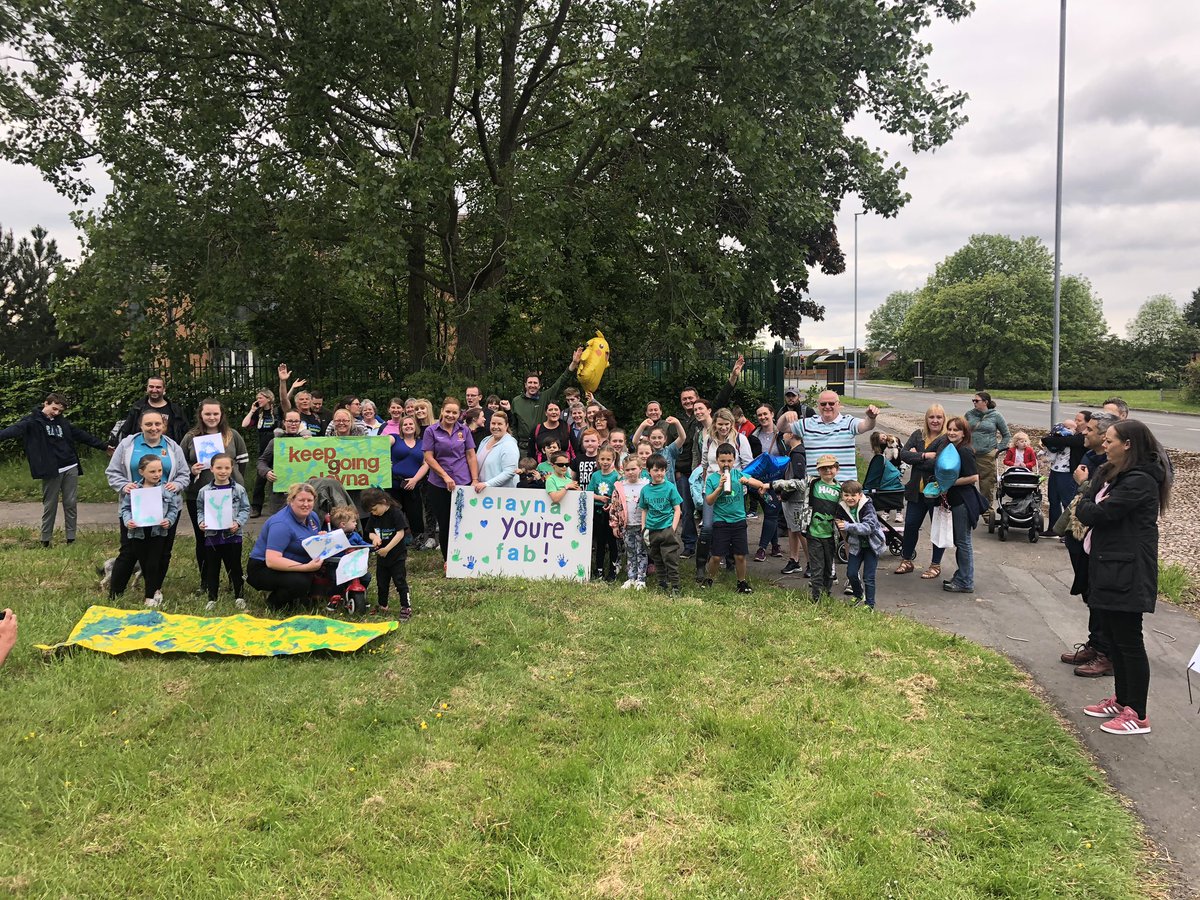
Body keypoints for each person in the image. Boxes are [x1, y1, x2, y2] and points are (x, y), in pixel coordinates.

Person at [1075, 420, 1170, 736]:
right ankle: (1122, 701)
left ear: (1128, 444)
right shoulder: (1115, 474)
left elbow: (1097, 513)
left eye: (1111, 440)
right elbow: (1093, 503)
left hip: (1128, 571)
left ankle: (1137, 714)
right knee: (1114, 639)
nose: (1105, 444)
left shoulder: (1140, 481)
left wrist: (1085, 498)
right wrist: (1089, 496)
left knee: (1129, 641)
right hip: (1111, 565)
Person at [0, 391, 107, 547]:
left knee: (70, 502)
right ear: (46, 403)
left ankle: (71, 538)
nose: (57, 413)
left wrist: (104, 447)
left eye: (60, 411)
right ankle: (45, 539)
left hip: (70, 465)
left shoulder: (62, 422)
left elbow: (82, 435)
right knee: (50, 504)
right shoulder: (32, 422)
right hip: (51, 469)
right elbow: (13, 430)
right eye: (54, 409)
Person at [104, 409, 190, 602]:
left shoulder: (172, 447)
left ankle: (154, 592)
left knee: (162, 552)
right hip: (134, 506)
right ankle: (115, 593)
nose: (153, 428)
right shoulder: (128, 445)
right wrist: (124, 486)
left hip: (167, 508)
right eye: (149, 424)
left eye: (157, 424)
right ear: (140, 425)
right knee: (129, 550)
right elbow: (112, 472)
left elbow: (184, 474)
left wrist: (176, 485)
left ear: (163, 426)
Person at [1060, 411, 1119, 677]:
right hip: (1080, 534)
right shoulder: (1089, 455)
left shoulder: (1113, 464)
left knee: (1100, 594)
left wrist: (1084, 485)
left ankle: (1106, 653)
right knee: (1089, 591)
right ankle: (1095, 644)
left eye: (1091, 430)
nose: (1084, 432)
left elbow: (1099, 501)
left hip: (1098, 539)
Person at [674, 356, 745, 557]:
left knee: (723, 521)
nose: (690, 404)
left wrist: (733, 377)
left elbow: (722, 399)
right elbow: (681, 448)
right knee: (691, 513)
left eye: (693, 401)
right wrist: (680, 471)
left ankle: (726, 556)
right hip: (693, 474)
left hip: (720, 479)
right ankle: (693, 550)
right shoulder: (683, 423)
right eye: (685, 400)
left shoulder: (710, 421)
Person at [181, 399, 249, 584]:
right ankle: (207, 582)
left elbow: (242, 461)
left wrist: (235, 479)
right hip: (198, 496)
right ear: (200, 415)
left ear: (221, 415)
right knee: (204, 537)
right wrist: (191, 469)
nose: (212, 417)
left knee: (231, 537)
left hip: (230, 495)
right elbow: (180, 463)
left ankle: (234, 580)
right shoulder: (190, 437)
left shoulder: (232, 435)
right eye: (207, 414)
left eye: (215, 414)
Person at [111, 455, 183, 607]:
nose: (157, 474)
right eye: (152, 471)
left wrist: (168, 521)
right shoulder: (133, 490)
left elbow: (173, 509)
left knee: (153, 563)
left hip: (158, 533)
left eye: (159, 471)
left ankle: (150, 596)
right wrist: (127, 521)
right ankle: (117, 593)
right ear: (141, 472)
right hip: (138, 533)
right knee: (143, 562)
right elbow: (125, 509)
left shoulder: (166, 490)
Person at [247, 482, 324, 611]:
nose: (306, 504)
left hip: (294, 561)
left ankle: (303, 598)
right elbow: (272, 561)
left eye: (309, 500)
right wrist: (306, 567)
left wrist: (322, 538)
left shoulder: (313, 517)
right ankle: (274, 603)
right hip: (263, 567)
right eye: (301, 500)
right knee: (301, 582)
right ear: (291, 500)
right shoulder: (281, 524)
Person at [421, 397, 480, 559]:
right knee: (446, 523)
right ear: (441, 411)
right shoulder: (431, 431)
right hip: (439, 484)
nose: (451, 415)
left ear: (459, 414)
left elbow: (471, 455)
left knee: (464, 522)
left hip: (463, 483)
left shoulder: (464, 430)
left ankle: (467, 556)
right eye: (448, 411)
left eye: (454, 412)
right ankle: (449, 559)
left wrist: (474, 479)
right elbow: (429, 458)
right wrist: (445, 476)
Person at [894, 404, 948, 578]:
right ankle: (906, 560)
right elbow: (903, 455)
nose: (935, 420)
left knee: (937, 529)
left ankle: (935, 565)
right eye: (931, 417)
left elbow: (938, 463)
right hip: (916, 491)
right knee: (910, 526)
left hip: (937, 493)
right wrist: (926, 455)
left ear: (943, 419)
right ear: (926, 419)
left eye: (939, 417)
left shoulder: (946, 438)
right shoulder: (918, 434)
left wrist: (916, 456)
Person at [196, 453, 250, 611]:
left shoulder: (239, 490)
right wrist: (201, 522)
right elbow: (200, 509)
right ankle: (212, 598)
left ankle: (239, 596)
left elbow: (246, 509)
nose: (223, 471)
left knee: (235, 566)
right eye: (219, 467)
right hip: (212, 536)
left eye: (227, 467)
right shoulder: (204, 491)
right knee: (212, 567)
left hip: (233, 536)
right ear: (211, 468)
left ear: (232, 468)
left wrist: (238, 522)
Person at [790, 390, 880, 481]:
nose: (827, 406)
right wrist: (785, 417)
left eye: (831, 403)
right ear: (818, 405)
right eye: (823, 404)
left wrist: (871, 417)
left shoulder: (849, 422)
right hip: (816, 485)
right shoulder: (808, 423)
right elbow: (782, 428)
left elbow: (866, 425)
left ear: (838, 404)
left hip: (844, 486)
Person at [701, 443, 753, 594]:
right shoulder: (712, 479)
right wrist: (719, 487)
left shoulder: (738, 474)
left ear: (734, 460)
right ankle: (709, 579)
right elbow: (709, 501)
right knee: (717, 556)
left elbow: (754, 481)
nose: (726, 464)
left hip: (738, 521)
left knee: (740, 555)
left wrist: (751, 482)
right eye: (723, 461)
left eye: (729, 461)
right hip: (721, 522)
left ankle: (742, 582)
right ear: (717, 460)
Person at [506, 348, 584, 447]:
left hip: (543, 443)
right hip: (523, 446)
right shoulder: (516, 401)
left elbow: (561, 381)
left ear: (539, 386)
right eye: (530, 382)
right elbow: (513, 424)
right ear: (525, 385)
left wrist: (573, 363)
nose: (532, 385)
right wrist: (514, 443)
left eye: (535, 383)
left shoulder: (545, 397)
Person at [940, 416, 980, 594]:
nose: (951, 432)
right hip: (957, 501)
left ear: (964, 433)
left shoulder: (964, 450)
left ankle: (966, 581)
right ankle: (962, 574)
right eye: (949, 429)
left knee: (963, 542)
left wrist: (948, 483)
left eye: (956, 430)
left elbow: (973, 477)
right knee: (959, 541)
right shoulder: (953, 448)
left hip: (964, 501)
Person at [361, 488, 412, 619]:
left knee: (399, 581)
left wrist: (387, 548)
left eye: (375, 509)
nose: (374, 513)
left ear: (383, 502)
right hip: (382, 557)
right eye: (371, 511)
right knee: (381, 582)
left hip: (397, 555)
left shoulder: (395, 513)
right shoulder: (374, 516)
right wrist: (374, 538)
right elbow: (370, 532)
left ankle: (406, 606)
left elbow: (400, 534)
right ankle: (382, 605)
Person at [837, 480, 885, 609]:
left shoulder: (867, 506)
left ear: (860, 495)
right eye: (846, 495)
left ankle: (870, 604)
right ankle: (858, 595)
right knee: (851, 573)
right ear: (842, 495)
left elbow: (869, 527)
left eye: (853, 495)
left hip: (872, 546)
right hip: (856, 546)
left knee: (868, 577)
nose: (850, 498)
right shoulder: (841, 508)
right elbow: (837, 521)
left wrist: (848, 526)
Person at [1042, 411, 1091, 536]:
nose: (1076, 422)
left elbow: (1054, 441)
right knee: (1053, 499)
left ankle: (1067, 531)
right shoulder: (1068, 435)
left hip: (1069, 473)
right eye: (1075, 419)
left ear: (1087, 423)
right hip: (1056, 470)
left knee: (1067, 501)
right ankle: (1052, 529)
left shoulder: (1082, 438)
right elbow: (1047, 440)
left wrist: (1055, 439)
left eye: (1079, 420)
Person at [639, 454, 683, 593]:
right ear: (648, 471)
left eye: (662, 470)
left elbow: (677, 510)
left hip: (667, 529)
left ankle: (675, 585)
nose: (659, 473)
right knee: (656, 557)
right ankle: (661, 583)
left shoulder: (670, 487)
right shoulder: (645, 490)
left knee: (670, 558)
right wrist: (643, 528)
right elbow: (644, 510)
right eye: (656, 470)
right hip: (652, 529)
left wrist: (673, 528)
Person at [965, 391, 1010, 521]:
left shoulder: (996, 416)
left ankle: (986, 511)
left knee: (986, 484)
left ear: (985, 402)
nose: (974, 403)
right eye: (973, 400)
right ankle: (969, 509)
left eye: (977, 401)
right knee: (968, 482)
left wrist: (997, 449)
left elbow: (1006, 435)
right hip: (970, 454)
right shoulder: (969, 414)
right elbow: (962, 430)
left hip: (987, 454)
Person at [111, 374, 190, 446]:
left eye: (158, 387)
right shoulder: (137, 408)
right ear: (147, 388)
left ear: (164, 389)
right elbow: (126, 431)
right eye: (151, 387)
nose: (154, 390)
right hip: (141, 449)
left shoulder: (175, 410)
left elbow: (184, 433)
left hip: (167, 451)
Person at [256, 410, 309, 516]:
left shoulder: (308, 441)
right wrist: (266, 472)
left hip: (303, 493)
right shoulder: (275, 442)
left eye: (296, 421)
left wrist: (311, 443)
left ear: (300, 423)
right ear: (284, 422)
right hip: (280, 494)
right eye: (290, 421)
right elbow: (261, 461)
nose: (293, 424)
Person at [805, 455, 843, 600]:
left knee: (828, 567)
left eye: (831, 467)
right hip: (814, 533)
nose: (827, 470)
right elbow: (792, 484)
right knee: (817, 567)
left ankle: (826, 594)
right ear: (818, 470)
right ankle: (816, 597)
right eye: (823, 468)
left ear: (837, 469)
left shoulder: (841, 490)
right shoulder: (812, 484)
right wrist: (768, 485)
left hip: (830, 535)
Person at [240, 387, 280, 516]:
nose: (258, 400)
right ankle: (256, 507)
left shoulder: (277, 411)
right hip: (264, 451)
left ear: (268, 398)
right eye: (257, 398)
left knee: (278, 478)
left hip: (278, 449)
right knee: (260, 480)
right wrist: (252, 411)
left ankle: (279, 506)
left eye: (260, 398)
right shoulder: (259, 414)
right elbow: (244, 425)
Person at [388, 414, 428, 535]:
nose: (408, 426)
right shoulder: (394, 439)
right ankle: (395, 539)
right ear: (401, 428)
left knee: (415, 513)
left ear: (415, 427)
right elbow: (380, 446)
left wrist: (415, 480)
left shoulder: (422, 443)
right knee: (394, 513)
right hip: (394, 484)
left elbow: (425, 464)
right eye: (405, 424)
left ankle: (418, 539)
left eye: (411, 424)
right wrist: (384, 461)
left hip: (413, 484)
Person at [612, 455, 648, 589]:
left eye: (634, 469)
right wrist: (615, 524)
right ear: (623, 470)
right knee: (630, 552)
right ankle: (631, 578)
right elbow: (614, 507)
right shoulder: (620, 487)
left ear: (640, 469)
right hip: (627, 526)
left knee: (642, 552)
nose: (631, 472)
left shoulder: (646, 486)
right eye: (627, 470)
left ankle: (641, 579)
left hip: (642, 525)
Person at [587, 446, 622, 581]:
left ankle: (613, 569)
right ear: (598, 460)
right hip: (598, 512)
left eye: (608, 459)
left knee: (612, 542)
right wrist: (600, 498)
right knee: (600, 543)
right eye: (602, 459)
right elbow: (590, 493)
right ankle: (599, 569)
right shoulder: (595, 475)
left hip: (611, 514)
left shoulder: (616, 476)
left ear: (613, 459)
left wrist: (612, 504)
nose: (605, 462)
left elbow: (619, 495)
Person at [474, 410, 519, 490]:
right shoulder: (485, 440)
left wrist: (487, 484)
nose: (495, 427)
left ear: (506, 425)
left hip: (501, 494)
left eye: (499, 424)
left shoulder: (510, 444)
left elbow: (510, 472)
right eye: (493, 423)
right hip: (482, 491)